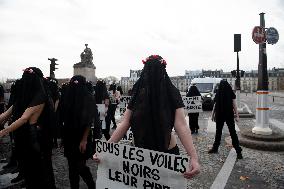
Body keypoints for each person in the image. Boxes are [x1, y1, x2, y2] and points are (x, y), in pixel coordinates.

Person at [93, 55, 200, 179]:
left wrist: (106, 148)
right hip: (150, 153)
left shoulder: (140, 92)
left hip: (144, 153)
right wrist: (193, 157)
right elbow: (181, 125)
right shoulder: (171, 91)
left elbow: (124, 123)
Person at [0, 67, 56, 189]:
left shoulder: (41, 95)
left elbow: (24, 118)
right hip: (26, 140)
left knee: (42, 172)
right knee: (32, 171)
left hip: (37, 140)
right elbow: (5, 115)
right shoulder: (24, 97)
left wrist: (4, 131)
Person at [61, 75, 96, 189]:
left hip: (82, 135)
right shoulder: (67, 95)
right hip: (69, 135)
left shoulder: (88, 96)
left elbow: (89, 120)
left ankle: (91, 185)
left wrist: (84, 139)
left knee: (80, 166)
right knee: (71, 166)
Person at [208, 79, 243, 159]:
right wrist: (237, 115)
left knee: (218, 132)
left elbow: (215, 105)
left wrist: (212, 115)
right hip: (229, 114)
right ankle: (238, 151)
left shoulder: (218, 92)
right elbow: (234, 105)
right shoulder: (231, 92)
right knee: (232, 132)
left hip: (220, 114)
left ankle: (215, 148)